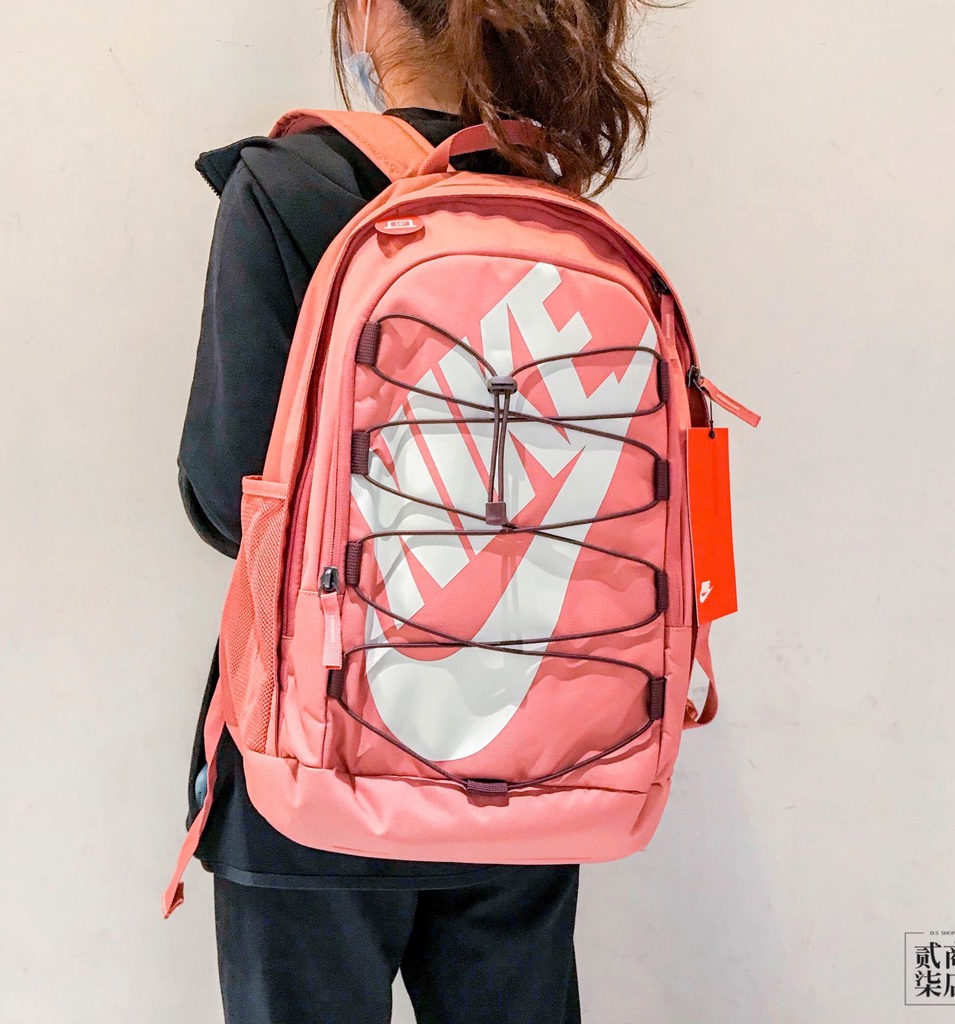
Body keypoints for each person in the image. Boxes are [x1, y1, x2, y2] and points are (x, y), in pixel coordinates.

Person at [176, 0, 657, 1019]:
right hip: (524, 761)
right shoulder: (546, 209)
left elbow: (229, 496)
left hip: (316, 765)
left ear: (366, 13)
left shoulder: (286, 187)